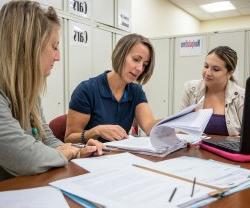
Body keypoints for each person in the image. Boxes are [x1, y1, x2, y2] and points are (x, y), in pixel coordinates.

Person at [0, 1, 102, 181]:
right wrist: (68, 152)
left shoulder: (27, 92)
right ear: (27, 46)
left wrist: (79, 151)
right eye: (54, 47)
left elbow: (47, 139)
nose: (58, 56)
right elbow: (24, 157)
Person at [65, 33, 157, 143]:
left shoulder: (136, 91)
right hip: (91, 157)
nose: (140, 69)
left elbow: (150, 127)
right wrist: (95, 131)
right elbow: (69, 138)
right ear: (120, 54)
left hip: (120, 156)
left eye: (145, 64)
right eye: (136, 59)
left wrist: (174, 123)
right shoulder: (87, 90)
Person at [180, 46, 245, 136]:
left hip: (227, 150)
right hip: (195, 149)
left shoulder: (241, 96)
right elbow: (181, 126)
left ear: (229, 73)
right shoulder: (190, 89)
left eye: (216, 69)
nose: (208, 73)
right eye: (206, 66)